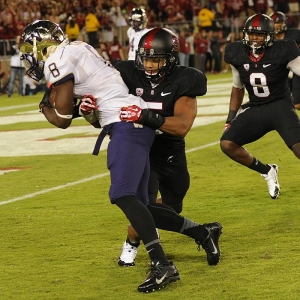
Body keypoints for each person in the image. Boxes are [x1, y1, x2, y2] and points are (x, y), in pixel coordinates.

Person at [19, 20, 179, 293]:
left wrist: (44, 107)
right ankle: (197, 236)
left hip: (125, 124)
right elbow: (87, 104)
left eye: (29, 48)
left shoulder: (56, 59)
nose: (28, 55)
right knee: (141, 202)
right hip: (134, 122)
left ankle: (162, 264)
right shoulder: (78, 47)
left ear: (41, 45)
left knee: (121, 194)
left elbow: (63, 118)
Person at [114, 28, 222, 267]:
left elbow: (182, 126)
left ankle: (204, 231)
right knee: (144, 205)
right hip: (143, 151)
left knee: (172, 207)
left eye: (156, 59)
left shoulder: (185, 79)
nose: (149, 64)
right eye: (146, 58)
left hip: (171, 153)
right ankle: (130, 247)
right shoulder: (128, 73)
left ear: (171, 58)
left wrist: (145, 117)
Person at [220, 14, 300, 200]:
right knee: (227, 144)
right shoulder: (236, 53)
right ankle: (267, 171)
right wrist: (230, 118)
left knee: (298, 147)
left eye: (259, 34)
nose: (254, 38)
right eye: (251, 34)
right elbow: (237, 87)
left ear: (269, 36)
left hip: (280, 105)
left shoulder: (283, 50)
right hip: (256, 107)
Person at [269, 11, 300, 110]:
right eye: (274, 23)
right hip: (282, 72)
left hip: (296, 69)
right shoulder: (269, 39)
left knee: (297, 104)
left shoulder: (295, 34)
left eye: (278, 23)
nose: (276, 25)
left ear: (284, 23)